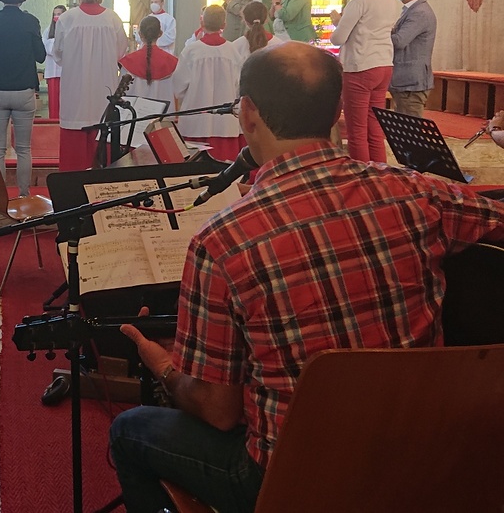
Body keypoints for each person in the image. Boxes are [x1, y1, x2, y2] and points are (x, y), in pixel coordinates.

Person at [110, 42, 504, 513]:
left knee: (129, 430)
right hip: (422, 457)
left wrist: (165, 368)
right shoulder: (418, 192)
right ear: (338, 112)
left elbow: (218, 411)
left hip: (290, 480)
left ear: (248, 113)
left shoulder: (222, 241)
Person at [53, 0, 129, 171]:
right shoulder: (112, 19)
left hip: (75, 93)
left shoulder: (67, 19)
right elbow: (121, 51)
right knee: (103, 152)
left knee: (74, 161)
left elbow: (58, 54)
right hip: (103, 93)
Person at [0, 0, 47, 197]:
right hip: (23, 91)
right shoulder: (31, 21)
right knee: (23, 149)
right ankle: (24, 195)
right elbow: (40, 56)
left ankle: (0, 196)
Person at [330, 0, 401, 162]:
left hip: (360, 67)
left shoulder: (360, 1)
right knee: (375, 128)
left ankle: (362, 175)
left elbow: (338, 38)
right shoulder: (390, 0)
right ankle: (379, 172)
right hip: (384, 65)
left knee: (357, 131)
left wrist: (337, 21)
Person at [173, 5, 244, 161]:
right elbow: (239, 88)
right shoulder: (233, 51)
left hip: (196, 121)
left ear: (202, 23)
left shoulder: (191, 51)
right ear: (224, 25)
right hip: (225, 124)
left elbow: (178, 88)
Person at [390, 0, 437, 118]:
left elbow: (399, 41)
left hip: (411, 83)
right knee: (402, 127)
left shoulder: (420, 12)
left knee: (409, 128)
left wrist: (376, 33)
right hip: (405, 81)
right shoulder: (411, 10)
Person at [119, 15, 178, 104]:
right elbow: (178, 91)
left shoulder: (128, 62)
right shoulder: (172, 63)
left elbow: (121, 92)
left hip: (134, 111)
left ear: (140, 34)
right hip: (164, 112)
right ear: (160, 34)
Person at [42, 5, 65, 119]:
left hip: (65, 71)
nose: (56, 17)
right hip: (52, 70)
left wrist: (56, 45)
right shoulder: (48, 30)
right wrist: (56, 45)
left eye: (59, 14)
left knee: (65, 99)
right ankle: (53, 120)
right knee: (53, 100)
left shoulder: (69, 29)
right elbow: (46, 46)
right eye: (55, 14)